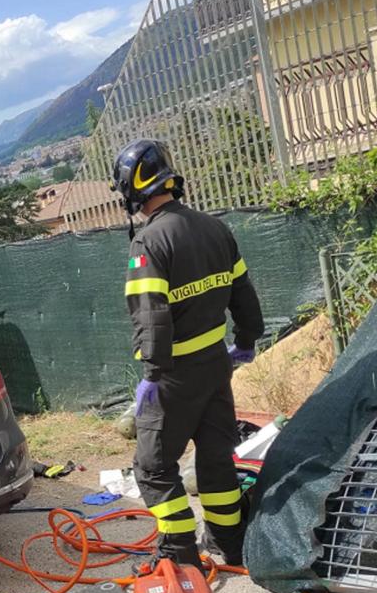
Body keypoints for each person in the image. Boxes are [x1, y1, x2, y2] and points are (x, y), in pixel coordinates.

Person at [112, 139, 264, 569]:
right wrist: (248, 340)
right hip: (217, 366)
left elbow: (151, 315)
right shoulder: (215, 228)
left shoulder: (149, 242)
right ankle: (229, 542)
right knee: (216, 458)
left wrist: (152, 375)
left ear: (130, 188)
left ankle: (179, 551)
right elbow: (243, 293)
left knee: (153, 467)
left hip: (173, 374)